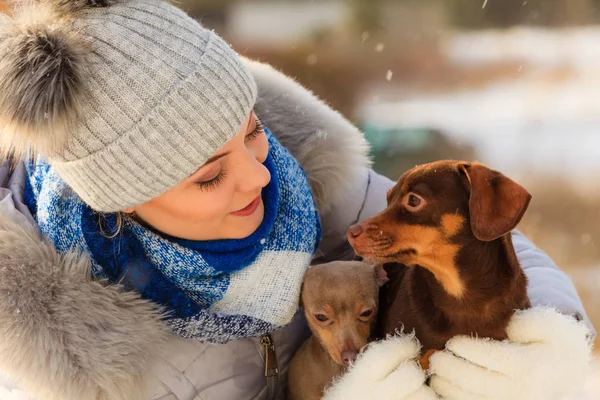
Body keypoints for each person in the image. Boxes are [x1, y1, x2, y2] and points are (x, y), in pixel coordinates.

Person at [0, 0, 593, 399]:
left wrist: (549, 343)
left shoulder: (314, 184)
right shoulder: (61, 368)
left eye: (252, 132)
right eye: (209, 177)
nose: (259, 177)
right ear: (121, 204)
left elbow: (494, 255)